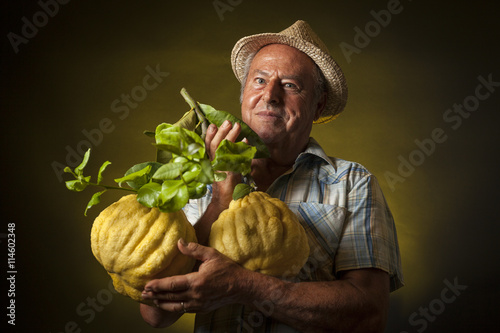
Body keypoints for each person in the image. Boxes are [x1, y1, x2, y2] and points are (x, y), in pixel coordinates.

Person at [140, 20, 403, 332]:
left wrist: (246, 286)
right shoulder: (193, 179)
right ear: (243, 95)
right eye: (259, 80)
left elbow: (369, 316)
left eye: (290, 85)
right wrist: (221, 196)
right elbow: (155, 313)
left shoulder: (352, 183)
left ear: (317, 106)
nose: (270, 95)